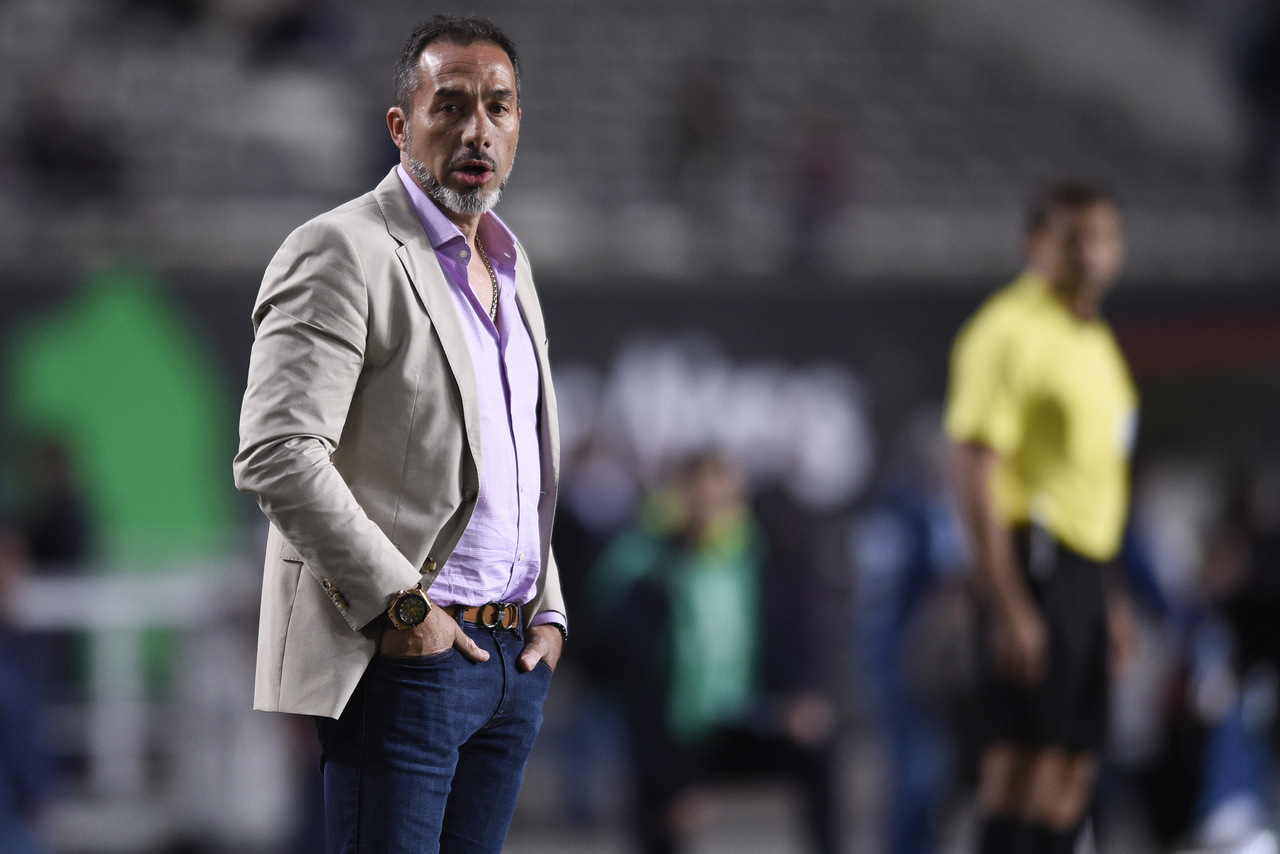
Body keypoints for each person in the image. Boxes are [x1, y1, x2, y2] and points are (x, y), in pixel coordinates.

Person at [233, 15, 566, 854]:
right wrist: (403, 610)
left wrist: (550, 611)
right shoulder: (340, 250)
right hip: (408, 657)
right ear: (400, 126)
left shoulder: (511, 264)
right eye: (449, 105)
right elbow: (278, 453)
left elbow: (516, 465)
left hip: (510, 661)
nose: (476, 130)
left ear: (518, 125)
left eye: (497, 107)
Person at [944, 179, 1137, 854]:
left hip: (1084, 569)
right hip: (1035, 563)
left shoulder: (1093, 340)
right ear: (1036, 244)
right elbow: (974, 473)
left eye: (1102, 237)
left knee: (1070, 771)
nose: (1090, 253)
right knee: (1019, 769)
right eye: (1072, 238)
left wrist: (1109, 598)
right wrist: (1008, 605)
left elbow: (1094, 486)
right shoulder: (1008, 330)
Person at [589, 453, 841, 854]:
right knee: (655, 803)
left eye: (724, 501)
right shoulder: (645, 572)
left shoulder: (761, 561)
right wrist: (677, 782)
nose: (712, 513)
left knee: (819, 747)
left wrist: (798, 698)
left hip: (738, 722)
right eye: (700, 500)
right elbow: (639, 690)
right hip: (673, 734)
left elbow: (792, 641)